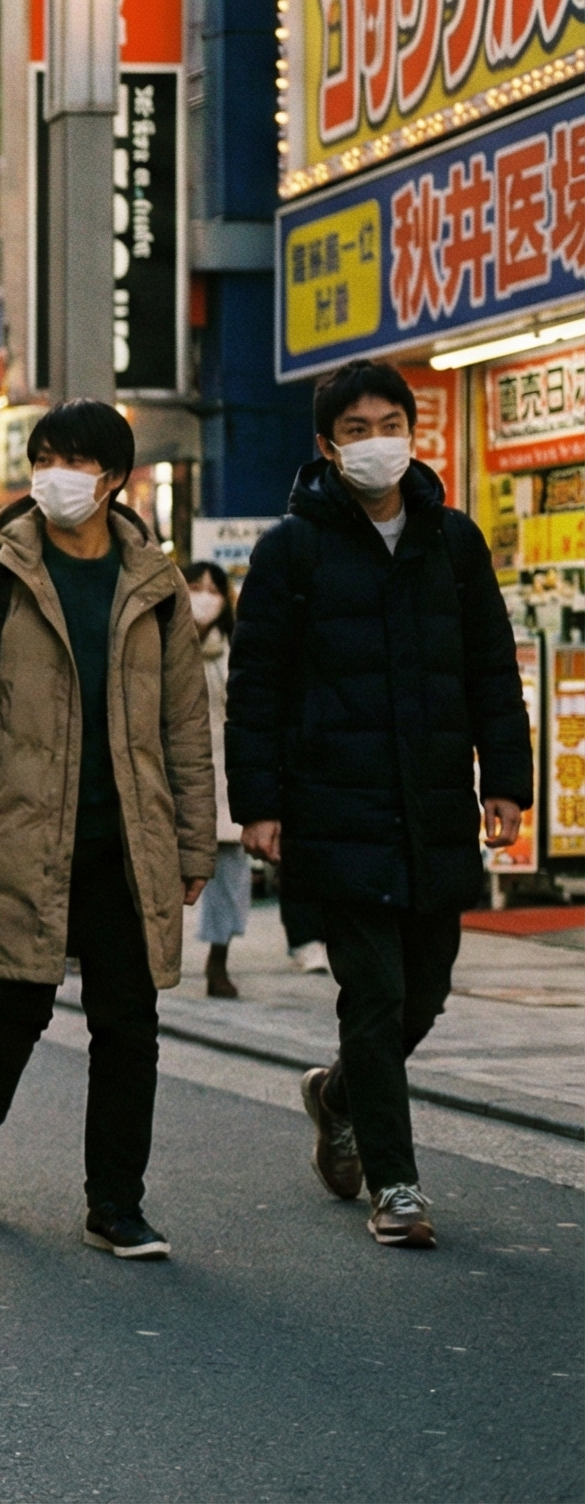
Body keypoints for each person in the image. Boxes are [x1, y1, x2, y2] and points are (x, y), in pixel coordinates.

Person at [228, 359, 532, 1251]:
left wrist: (505, 781)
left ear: (412, 430)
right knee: (374, 994)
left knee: (424, 993)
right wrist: (259, 803)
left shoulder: (454, 541)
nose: (376, 443)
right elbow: (256, 688)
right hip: (336, 807)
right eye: (355, 431)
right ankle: (396, 1184)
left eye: (389, 425)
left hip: (432, 805)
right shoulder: (292, 550)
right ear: (328, 447)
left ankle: (336, 1096)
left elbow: (491, 668)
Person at [0, 400, 213, 1262]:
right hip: (20, 838)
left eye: (74, 461)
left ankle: (116, 1204)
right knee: (13, 1007)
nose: (55, 476)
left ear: (114, 477)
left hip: (128, 844)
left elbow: (186, 728)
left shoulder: (156, 587)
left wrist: (195, 841)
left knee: (130, 1024)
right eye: (43, 459)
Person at [182, 560, 247, 999]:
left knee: (228, 876)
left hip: (224, 778)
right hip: (174, 775)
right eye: (195, 586)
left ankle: (218, 959)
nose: (204, 596)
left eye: (213, 588)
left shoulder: (235, 650)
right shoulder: (160, 642)